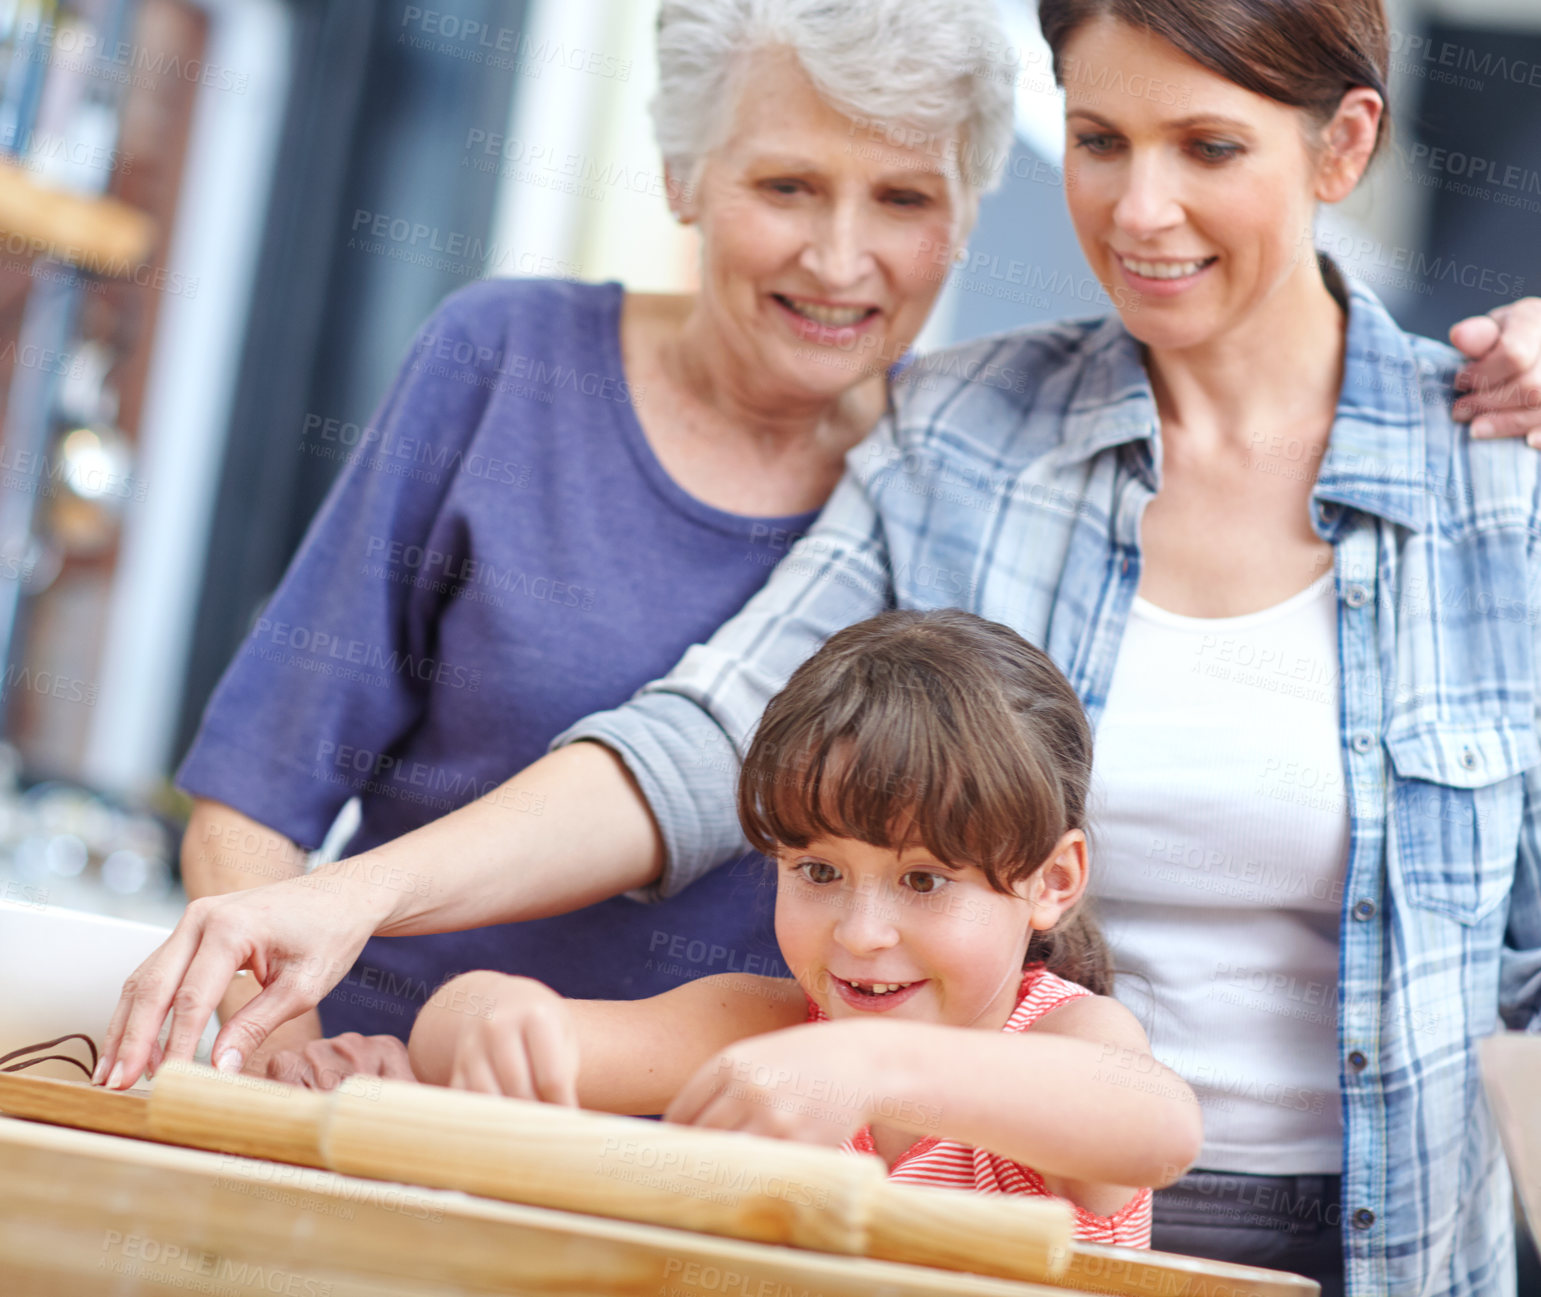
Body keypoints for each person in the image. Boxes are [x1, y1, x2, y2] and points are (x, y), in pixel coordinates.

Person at [99, 0, 1541, 1292]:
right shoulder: (966, 433)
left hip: (1395, 1244)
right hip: (980, 1216)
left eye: (1209, 148)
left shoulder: (1506, 475)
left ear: (1343, 146)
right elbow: (706, 730)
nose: (1142, 208)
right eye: (1098, 139)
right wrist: (360, 901)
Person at [167, 0, 1020, 1083]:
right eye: (784, 186)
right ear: (680, 176)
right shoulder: (501, 358)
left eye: (902, 199)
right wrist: (289, 1054)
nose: (838, 257)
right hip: (386, 1086)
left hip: (713, 1156)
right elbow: (253, 797)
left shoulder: (952, 484)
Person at [408, 610, 1202, 1246]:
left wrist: (873, 1063)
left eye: (923, 879)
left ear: (1051, 880)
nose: (860, 933)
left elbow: (1158, 1128)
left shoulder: (1069, 1036)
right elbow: (453, 1035)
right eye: (817, 872)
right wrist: (494, 1011)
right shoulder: (767, 1029)